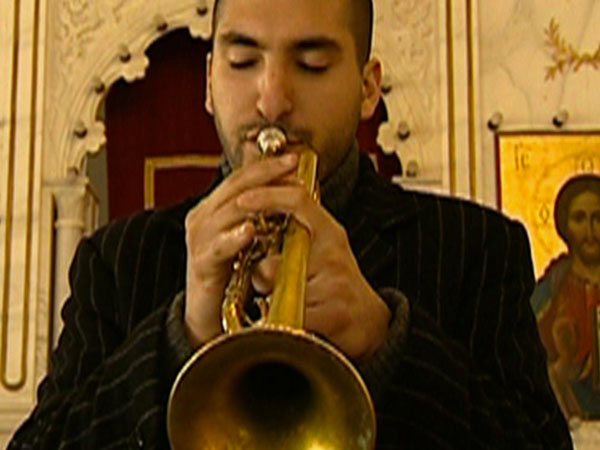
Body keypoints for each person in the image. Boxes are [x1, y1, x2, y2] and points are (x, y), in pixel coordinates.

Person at [10, 0, 572, 448]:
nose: (272, 101)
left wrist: (388, 342)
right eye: (242, 61)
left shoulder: (475, 249)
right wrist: (180, 340)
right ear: (208, 83)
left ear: (368, 89)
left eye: (312, 64)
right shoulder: (119, 260)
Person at [531, 174, 600, 421]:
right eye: (579, 218)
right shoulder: (551, 289)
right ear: (565, 225)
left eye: (598, 218)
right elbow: (526, 355)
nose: (590, 231)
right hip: (565, 419)